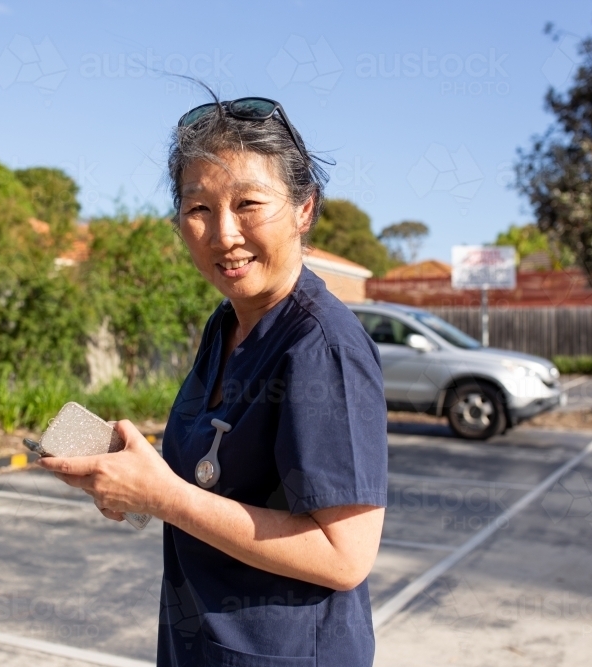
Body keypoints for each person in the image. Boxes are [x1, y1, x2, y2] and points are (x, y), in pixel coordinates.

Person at [39, 95, 388, 666]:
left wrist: (166, 496)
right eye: (198, 208)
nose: (224, 234)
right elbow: (217, 481)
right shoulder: (228, 324)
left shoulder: (322, 348)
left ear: (304, 209)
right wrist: (131, 477)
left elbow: (344, 556)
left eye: (249, 203)